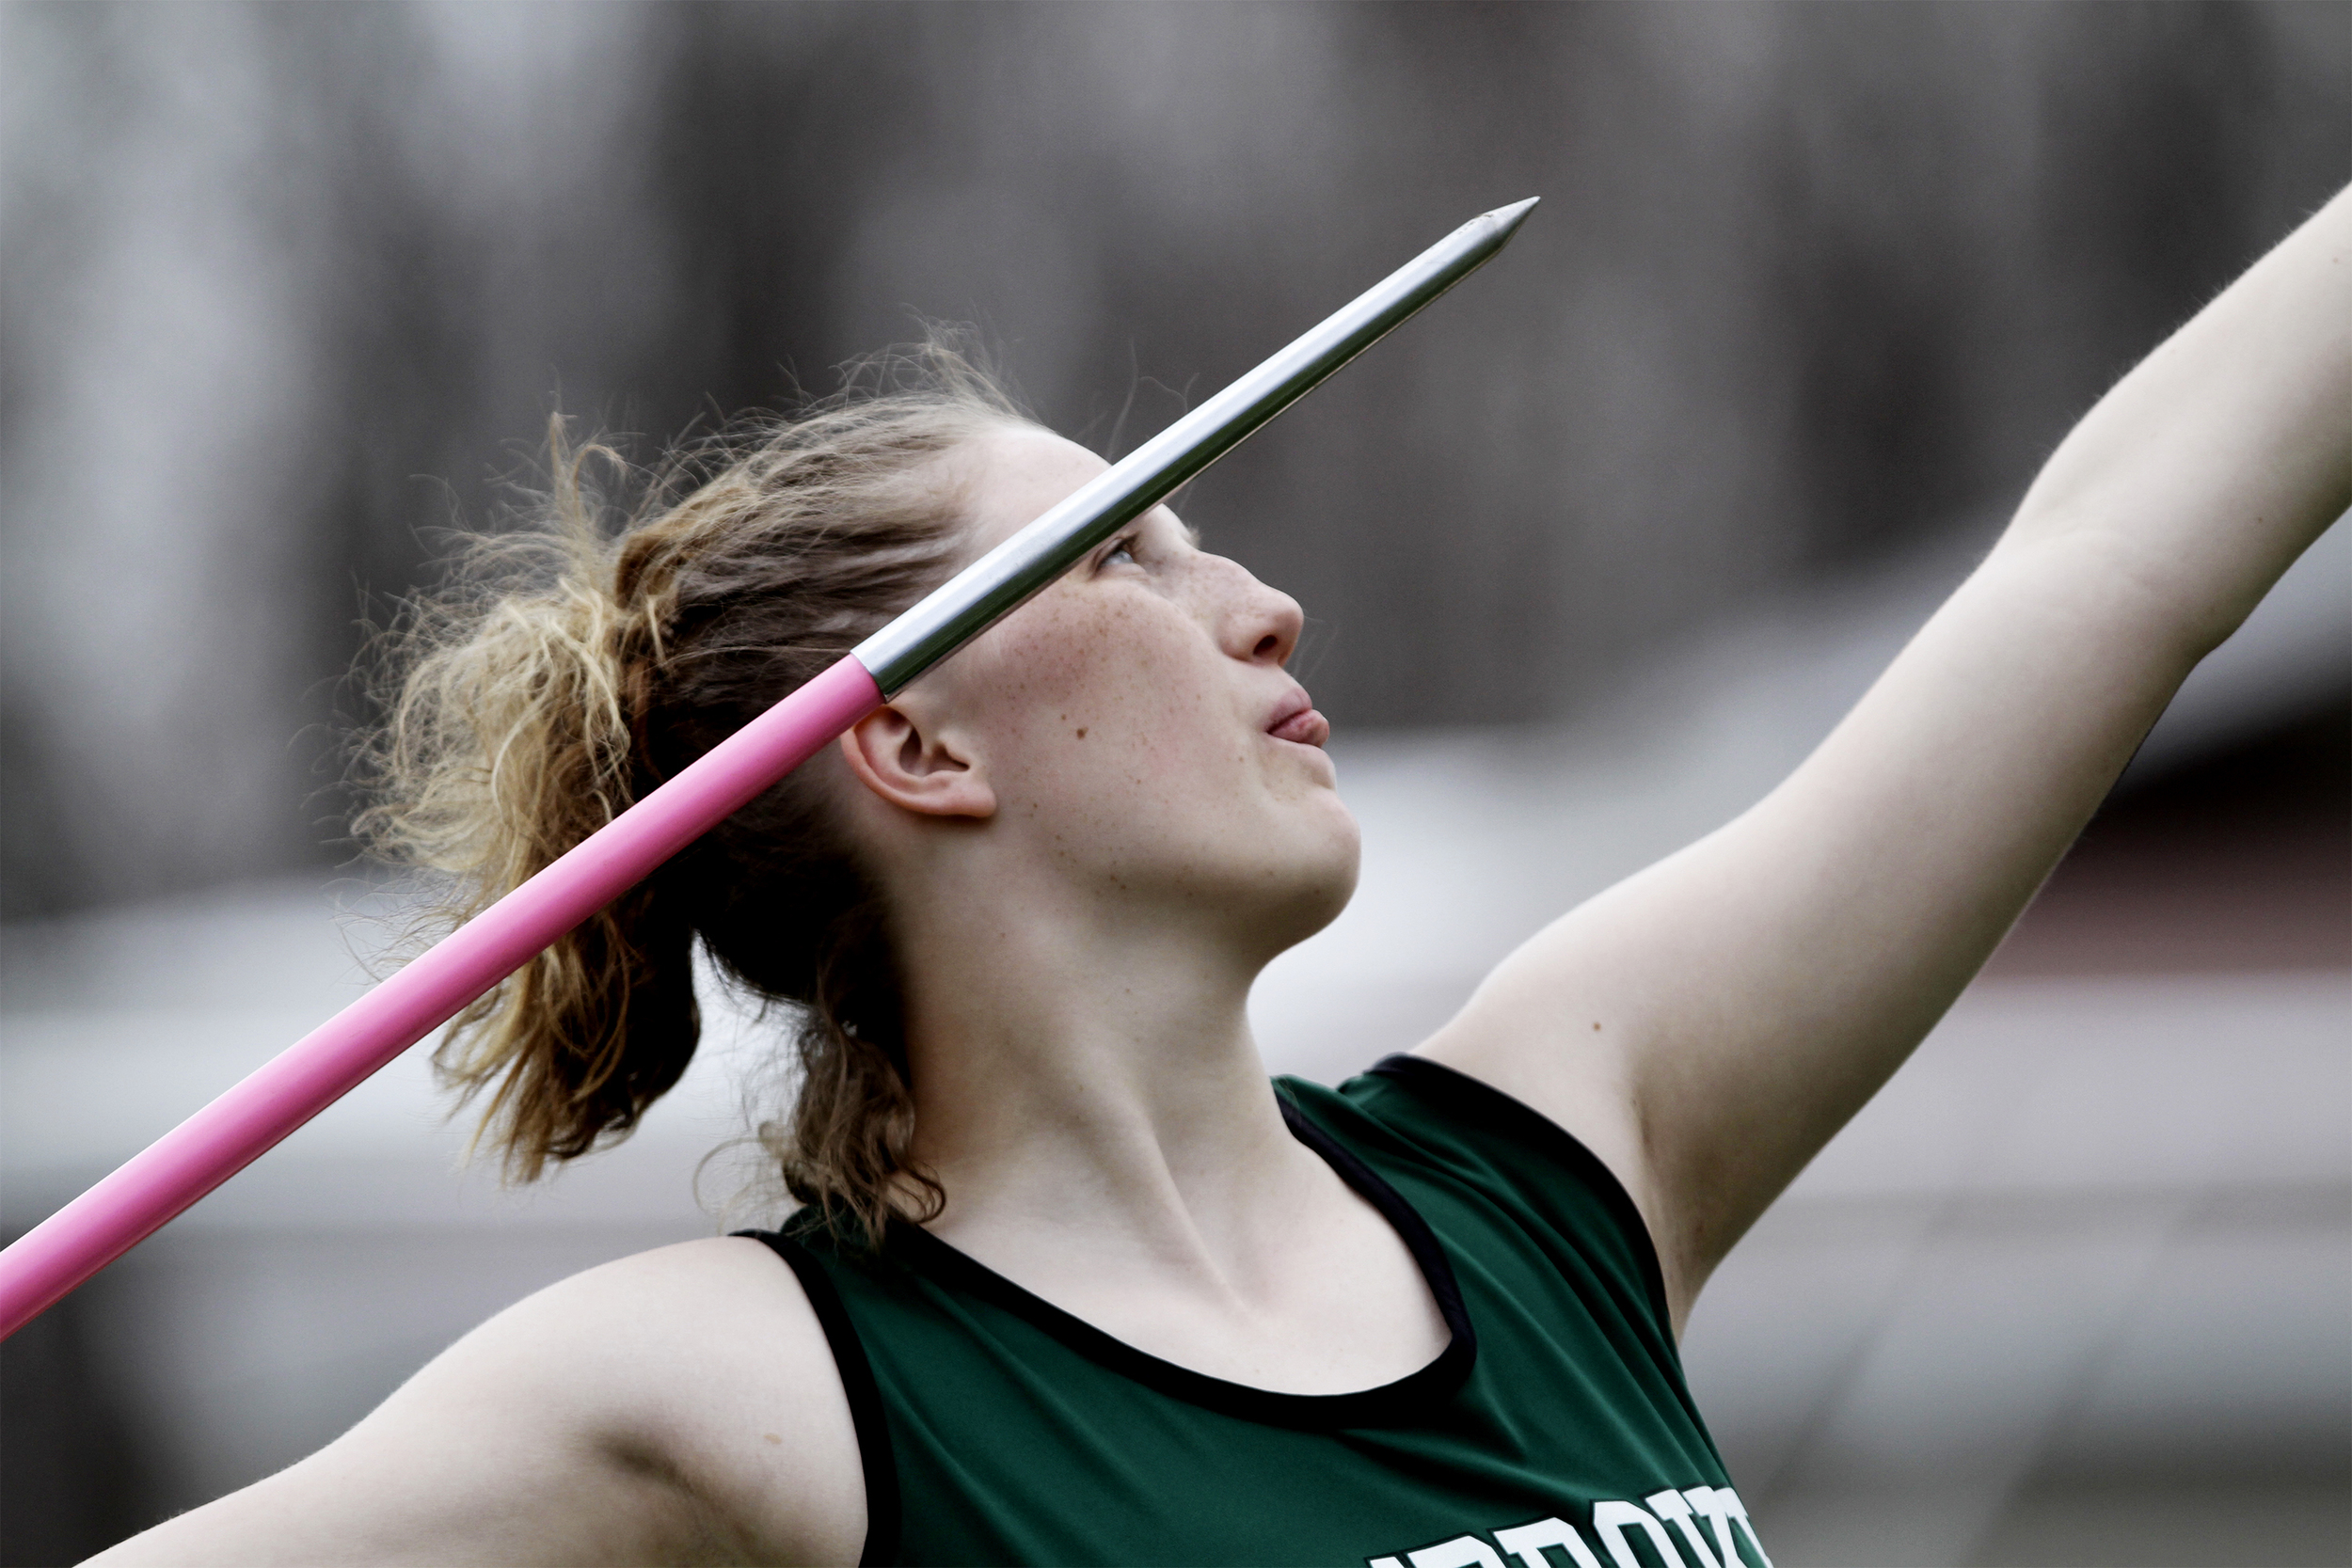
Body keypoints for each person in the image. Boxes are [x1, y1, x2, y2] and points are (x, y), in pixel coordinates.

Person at [89, 185, 2347, 1568]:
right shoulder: (746, 1391)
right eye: (1127, 558)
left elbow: (2109, 562)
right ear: (907, 736)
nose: (1259, 606)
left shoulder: (1567, 1149)